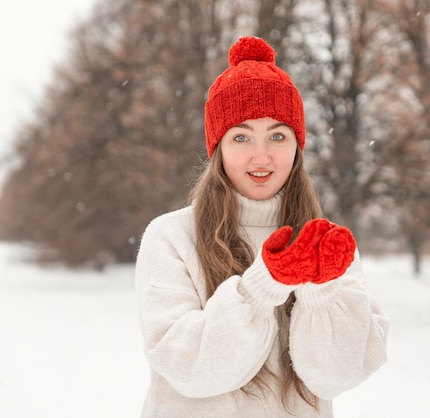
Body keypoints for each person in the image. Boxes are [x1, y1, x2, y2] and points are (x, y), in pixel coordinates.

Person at [135, 36, 389, 418]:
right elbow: (188, 369)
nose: (261, 156)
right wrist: (261, 287)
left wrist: (321, 289)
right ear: (217, 147)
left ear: (297, 147)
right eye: (240, 136)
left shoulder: (325, 246)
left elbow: (337, 376)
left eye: (277, 135)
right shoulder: (171, 237)